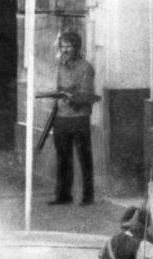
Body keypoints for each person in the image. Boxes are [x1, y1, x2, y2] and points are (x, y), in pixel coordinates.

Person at [48, 31, 99, 206]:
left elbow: (86, 93)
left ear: (77, 47)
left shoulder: (86, 68)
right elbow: (58, 87)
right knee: (63, 157)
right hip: (62, 117)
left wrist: (72, 96)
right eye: (62, 46)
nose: (65, 50)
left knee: (84, 157)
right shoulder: (61, 66)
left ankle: (88, 195)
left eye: (68, 46)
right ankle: (63, 195)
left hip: (79, 117)